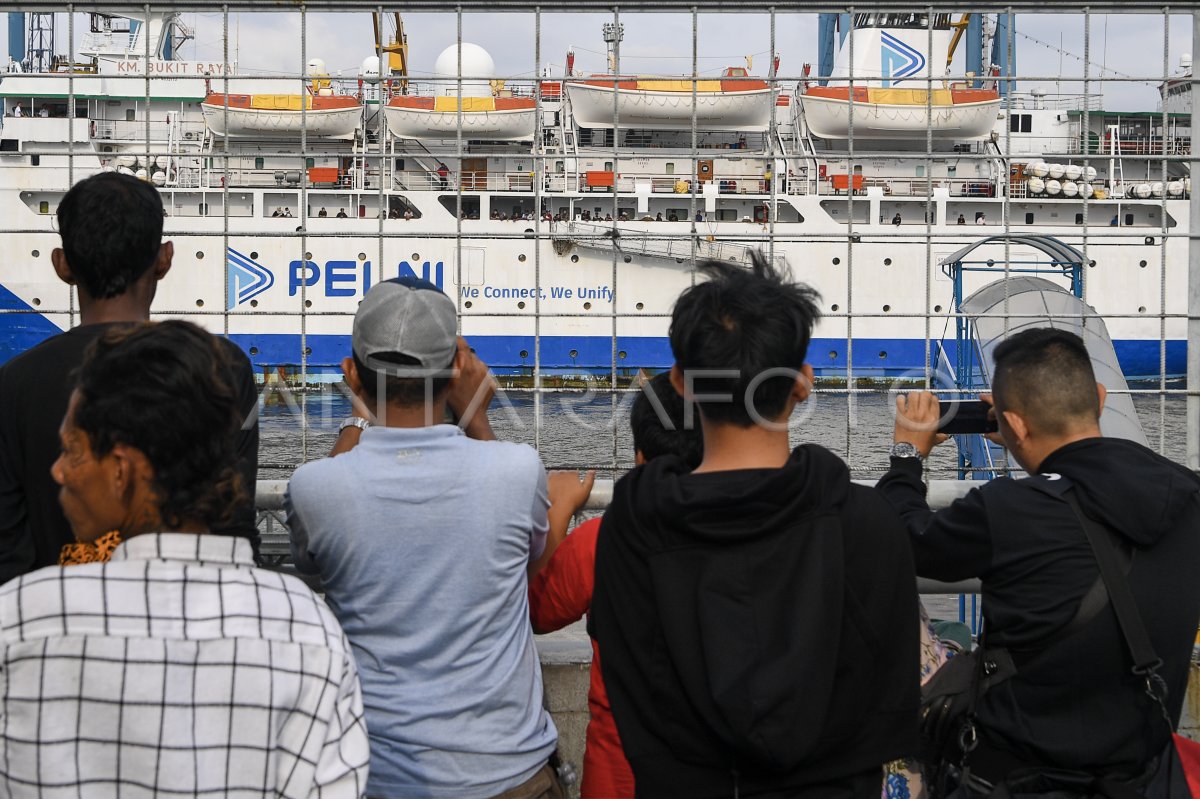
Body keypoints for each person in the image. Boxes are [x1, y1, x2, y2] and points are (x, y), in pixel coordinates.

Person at [590, 253, 920, 798]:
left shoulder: (633, 526)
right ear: (802, 383)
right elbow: (885, 695)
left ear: (681, 383)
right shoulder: (866, 522)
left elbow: (630, 677)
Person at [0, 320, 369, 795]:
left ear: (121, 472)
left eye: (72, 450)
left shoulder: (22, 622)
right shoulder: (308, 630)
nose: (57, 470)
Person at [880, 328, 1200, 796]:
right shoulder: (1188, 494)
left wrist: (907, 454)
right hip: (1143, 775)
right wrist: (1022, 435)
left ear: (1014, 424)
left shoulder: (1007, 508)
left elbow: (900, 539)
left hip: (1014, 776)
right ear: (1099, 396)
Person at [286, 277, 562, 799]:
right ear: (458, 369)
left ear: (352, 374)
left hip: (376, 776)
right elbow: (529, 556)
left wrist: (359, 419)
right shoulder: (518, 470)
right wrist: (478, 418)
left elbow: (314, 566)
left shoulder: (314, 487)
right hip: (511, 774)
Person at [0, 172, 259, 584]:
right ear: (164, 259)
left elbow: (7, 550)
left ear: (62, 264)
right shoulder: (222, 367)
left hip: (53, 629)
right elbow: (234, 524)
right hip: (196, 623)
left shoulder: (14, 382)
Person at [530, 373, 703, 799]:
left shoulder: (601, 541)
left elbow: (535, 613)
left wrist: (559, 512)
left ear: (639, 454)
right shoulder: (750, 536)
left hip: (619, 773)